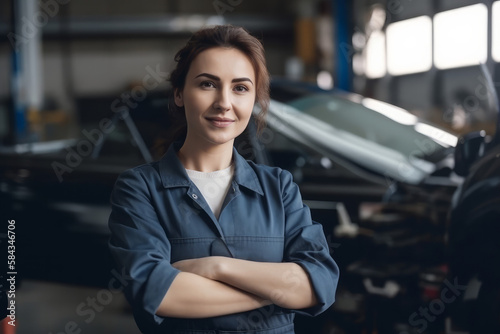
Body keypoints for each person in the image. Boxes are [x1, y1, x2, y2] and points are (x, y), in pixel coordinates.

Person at [108, 25, 339, 334]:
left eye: (240, 88)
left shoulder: (279, 187)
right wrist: (275, 292)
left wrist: (218, 267)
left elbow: (318, 283)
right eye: (207, 84)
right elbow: (157, 293)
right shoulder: (140, 189)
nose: (224, 102)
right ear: (179, 93)